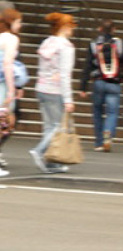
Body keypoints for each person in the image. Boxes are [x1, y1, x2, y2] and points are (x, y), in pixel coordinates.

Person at [78, 18, 123, 152]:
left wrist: (83, 86)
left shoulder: (93, 44)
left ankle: (98, 142)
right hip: (114, 83)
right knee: (112, 112)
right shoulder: (120, 44)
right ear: (114, 30)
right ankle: (108, 133)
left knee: (97, 112)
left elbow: (87, 66)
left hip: (98, 82)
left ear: (100, 29)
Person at [31, 12, 77, 174]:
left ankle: (50, 162)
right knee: (57, 127)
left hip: (42, 88)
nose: (73, 30)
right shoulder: (66, 47)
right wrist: (68, 99)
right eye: (71, 26)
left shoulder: (47, 43)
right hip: (56, 90)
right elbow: (65, 75)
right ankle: (40, 151)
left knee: (49, 127)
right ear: (64, 27)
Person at [0, 7, 25, 177]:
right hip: (3, 84)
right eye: (18, 21)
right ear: (11, 22)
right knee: (4, 123)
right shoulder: (12, 39)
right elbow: (8, 64)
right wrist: (11, 89)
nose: (20, 25)